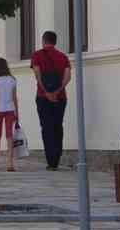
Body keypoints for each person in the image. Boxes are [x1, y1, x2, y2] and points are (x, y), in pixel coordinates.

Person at [31, 30, 70, 171]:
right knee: (58, 126)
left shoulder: (37, 55)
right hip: (60, 97)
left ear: (43, 41)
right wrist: (57, 91)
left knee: (46, 127)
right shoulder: (63, 57)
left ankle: (51, 162)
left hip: (42, 97)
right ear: (55, 41)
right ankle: (57, 158)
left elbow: (37, 74)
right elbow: (67, 77)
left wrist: (47, 92)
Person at [0, 57, 19, 172]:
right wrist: (17, 112)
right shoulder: (12, 79)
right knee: (9, 136)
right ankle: (9, 163)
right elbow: (14, 97)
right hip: (10, 109)